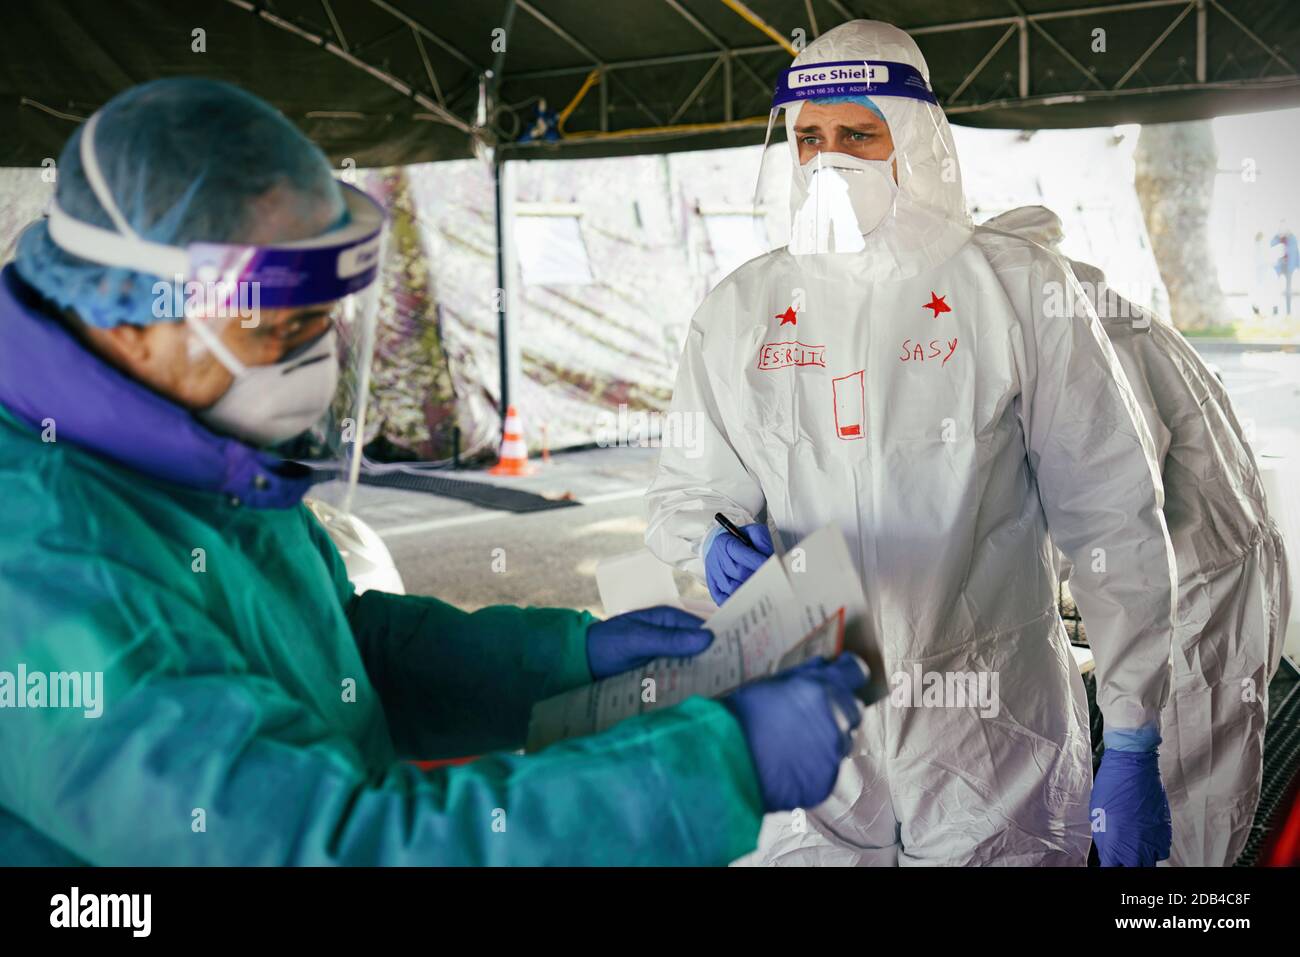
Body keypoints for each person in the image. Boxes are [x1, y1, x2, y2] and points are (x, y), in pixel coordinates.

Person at [0, 77, 868, 866]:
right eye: (274, 328)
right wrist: (712, 767)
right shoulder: (45, 560)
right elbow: (330, 847)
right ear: (131, 318)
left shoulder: (182, 450)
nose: (312, 362)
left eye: (322, 321)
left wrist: (564, 661)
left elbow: (338, 645)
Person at [646, 19, 1179, 866]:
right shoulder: (741, 308)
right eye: (810, 138)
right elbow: (685, 491)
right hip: (807, 723)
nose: (831, 160)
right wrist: (707, 541)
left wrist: (1137, 732)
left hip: (991, 731)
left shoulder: (1012, 288)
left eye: (858, 133)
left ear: (917, 139)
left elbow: (1111, 512)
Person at [986, 205, 1291, 866]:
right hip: (1213, 569)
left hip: (1196, 601)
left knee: (1187, 814)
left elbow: (1115, 503)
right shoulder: (1089, 313)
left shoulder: (1082, 339)